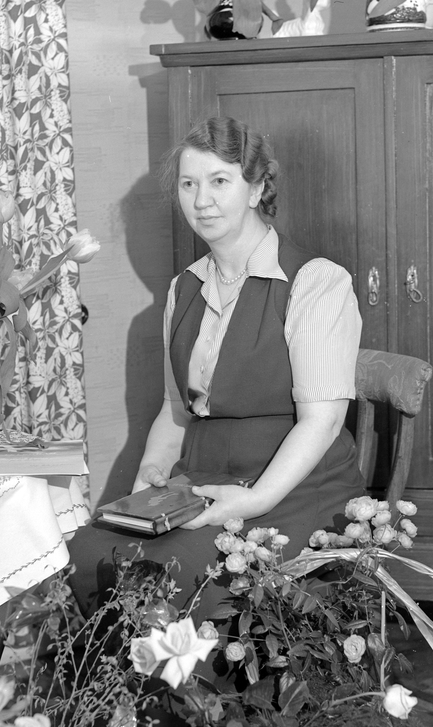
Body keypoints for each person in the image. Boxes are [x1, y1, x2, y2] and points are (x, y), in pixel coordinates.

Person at [68, 115, 365, 617]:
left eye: (219, 181)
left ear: (257, 189)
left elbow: (324, 421)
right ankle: (129, 673)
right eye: (189, 184)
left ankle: (174, 671)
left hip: (294, 488)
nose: (201, 200)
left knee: (174, 573)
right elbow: (175, 411)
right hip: (203, 479)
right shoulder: (183, 288)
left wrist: (255, 501)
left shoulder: (316, 282)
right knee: (86, 552)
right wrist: (150, 478)